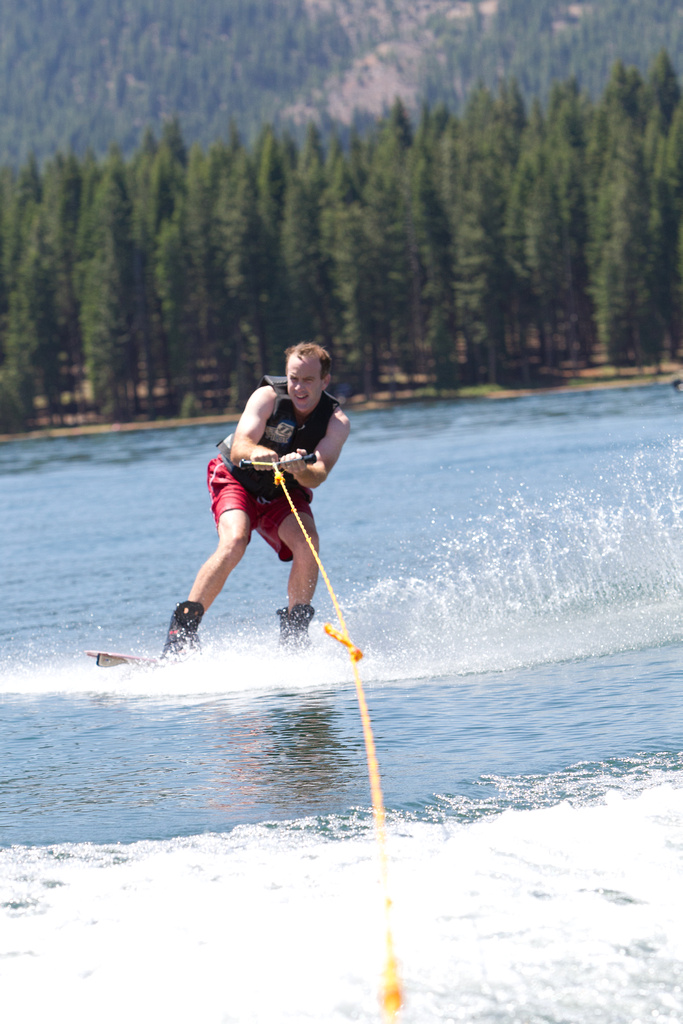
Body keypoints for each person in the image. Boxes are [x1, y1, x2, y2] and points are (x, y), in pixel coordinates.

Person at [162, 342, 351, 657]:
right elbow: (240, 447)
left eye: (308, 380)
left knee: (309, 543)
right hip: (236, 480)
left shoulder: (336, 422)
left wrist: (301, 469)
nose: (299, 387)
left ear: (324, 381)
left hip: (284, 491)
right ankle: (182, 633)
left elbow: (320, 473)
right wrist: (259, 452)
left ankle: (293, 638)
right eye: (294, 379)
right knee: (235, 540)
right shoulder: (267, 397)